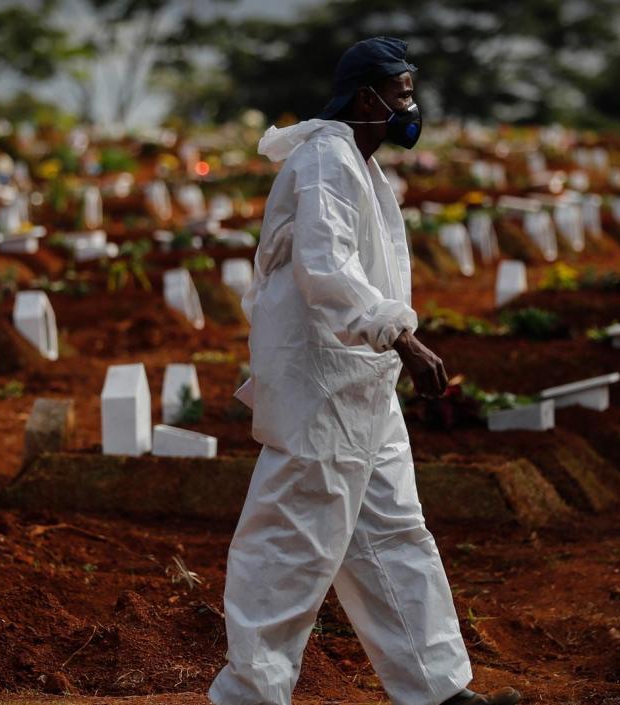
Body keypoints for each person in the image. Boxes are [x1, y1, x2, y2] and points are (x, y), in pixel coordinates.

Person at [209, 37, 521, 705]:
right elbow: (327, 267)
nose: (411, 106)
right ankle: (248, 695)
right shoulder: (325, 161)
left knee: (394, 534)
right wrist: (401, 338)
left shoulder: (357, 162)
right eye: (402, 93)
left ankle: (439, 691)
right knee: (292, 544)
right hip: (323, 388)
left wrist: (389, 345)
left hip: (363, 386)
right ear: (366, 96)